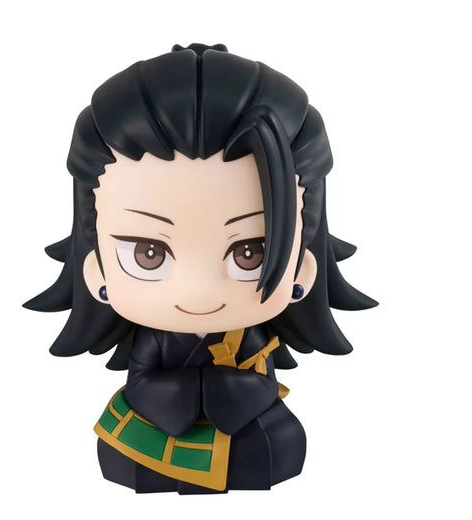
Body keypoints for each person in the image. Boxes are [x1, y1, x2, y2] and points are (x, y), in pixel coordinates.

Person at [24, 43, 377, 494]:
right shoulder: (157, 340)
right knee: (128, 454)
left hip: (247, 432)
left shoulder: (251, 338)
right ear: (96, 270)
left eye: (249, 253)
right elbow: (143, 383)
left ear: (302, 269)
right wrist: (202, 388)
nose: (198, 290)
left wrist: (226, 387)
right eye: (148, 254)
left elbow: (261, 385)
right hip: (154, 434)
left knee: (278, 443)